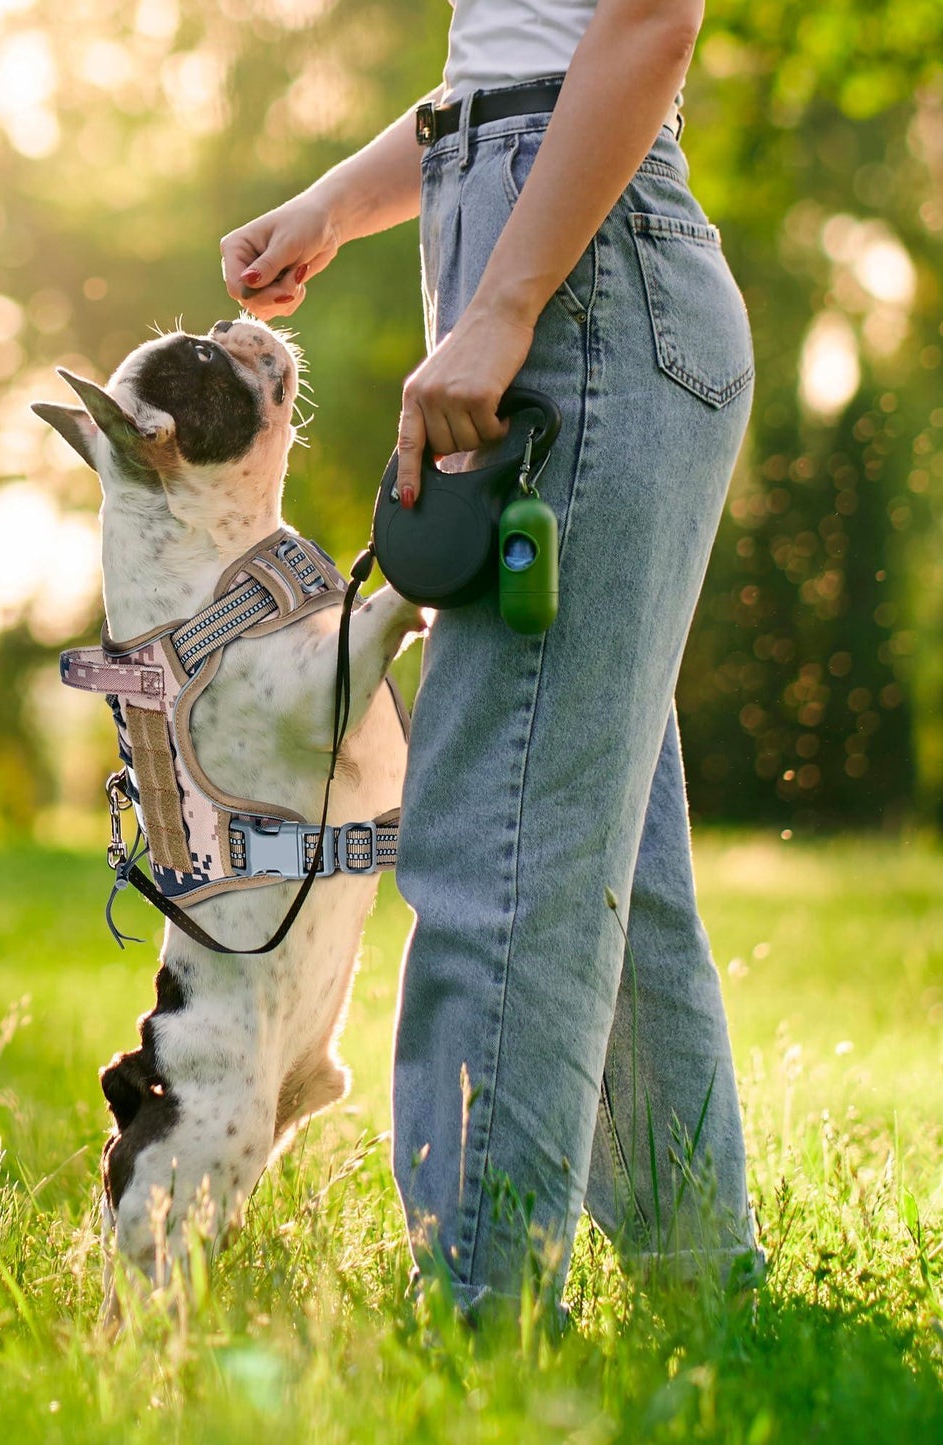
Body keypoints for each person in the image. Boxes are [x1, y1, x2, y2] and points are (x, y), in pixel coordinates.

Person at [220, 0, 765, 1323]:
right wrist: (337, 207)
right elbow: (517, 63)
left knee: (492, 834)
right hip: (542, 233)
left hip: (580, 275)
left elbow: (647, 20)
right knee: (594, 835)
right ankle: (702, 1292)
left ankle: (480, 1315)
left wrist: (507, 302)